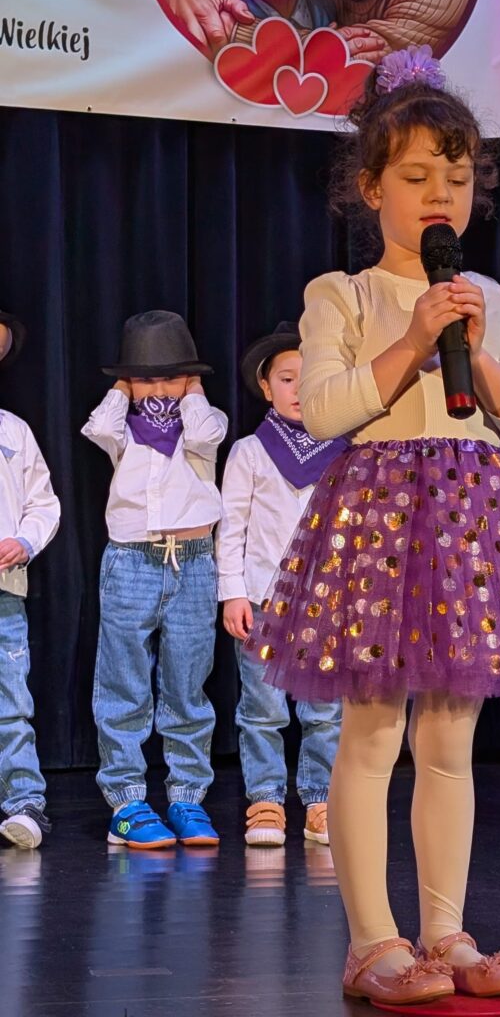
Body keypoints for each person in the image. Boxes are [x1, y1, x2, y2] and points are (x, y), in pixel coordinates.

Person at [244, 47, 500, 1006]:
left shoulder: (497, 302)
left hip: (472, 524)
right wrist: (413, 339)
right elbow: (327, 408)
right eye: (414, 177)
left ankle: (445, 933)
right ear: (371, 187)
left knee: (449, 739)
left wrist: (478, 356)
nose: (438, 193)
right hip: (376, 521)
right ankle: (373, 941)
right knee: (370, 735)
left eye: (455, 176)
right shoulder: (341, 294)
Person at [82, 311, 227, 849]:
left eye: (171, 376)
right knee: (124, 683)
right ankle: (126, 801)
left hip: (192, 563)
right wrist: (123, 389)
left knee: (187, 686)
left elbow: (207, 433)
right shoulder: (123, 429)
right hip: (132, 560)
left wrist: (192, 391)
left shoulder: (203, 422)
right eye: (146, 378)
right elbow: (98, 427)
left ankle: (187, 797)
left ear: (190, 378)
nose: (159, 388)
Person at [216, 322, 345, 847]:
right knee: (262, 710)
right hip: (264, 598)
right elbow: (232, 526)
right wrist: (232, 592)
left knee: (325, 711)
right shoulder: (250, 451)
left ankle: (320, 799)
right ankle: (266, 799)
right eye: (288, 379)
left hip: (325, 602)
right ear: (266, 388)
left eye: (310, 378)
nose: (299, 389)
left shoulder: (345, 452)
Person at [0, 311, 60, 849]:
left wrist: (25, 540)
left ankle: (23, 803)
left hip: (3, 590)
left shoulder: (13, 430)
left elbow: (44, 501)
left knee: (10, 702)